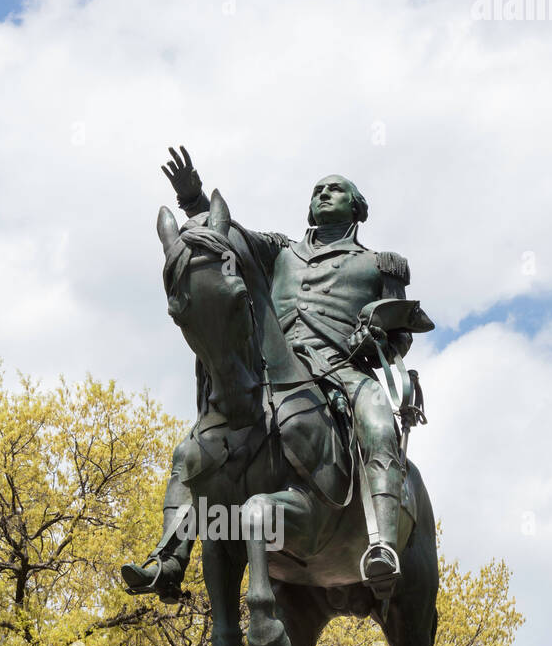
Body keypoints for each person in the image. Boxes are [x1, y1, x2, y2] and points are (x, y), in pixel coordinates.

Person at [121, 147, 414, 600]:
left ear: (356, 206)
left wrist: (377, 334)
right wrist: (194, 199)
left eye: (334, 190)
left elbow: (400, 340)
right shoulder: (280, 252)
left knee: (377, 423)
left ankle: (382, 546)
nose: (322, 194)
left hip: (342, 370)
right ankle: (171, 554)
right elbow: (227, 236)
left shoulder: (380, 264)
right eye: (317, 190)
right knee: (198, 442)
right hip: (275, 372)